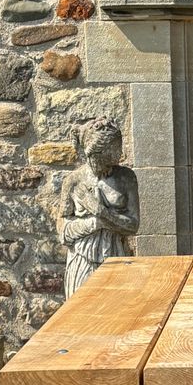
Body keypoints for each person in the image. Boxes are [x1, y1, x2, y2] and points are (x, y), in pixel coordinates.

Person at [58, 117, 139, 298]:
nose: (121, 152)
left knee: (118, 315)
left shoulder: (126, 178)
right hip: (81, 258)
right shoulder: (73, 181)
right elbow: (62, 231)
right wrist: (94, 223)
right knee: (81, 315)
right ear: (99, 151)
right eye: (116, 147)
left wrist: (103, 213)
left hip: (116, 255)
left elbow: (133, 225)